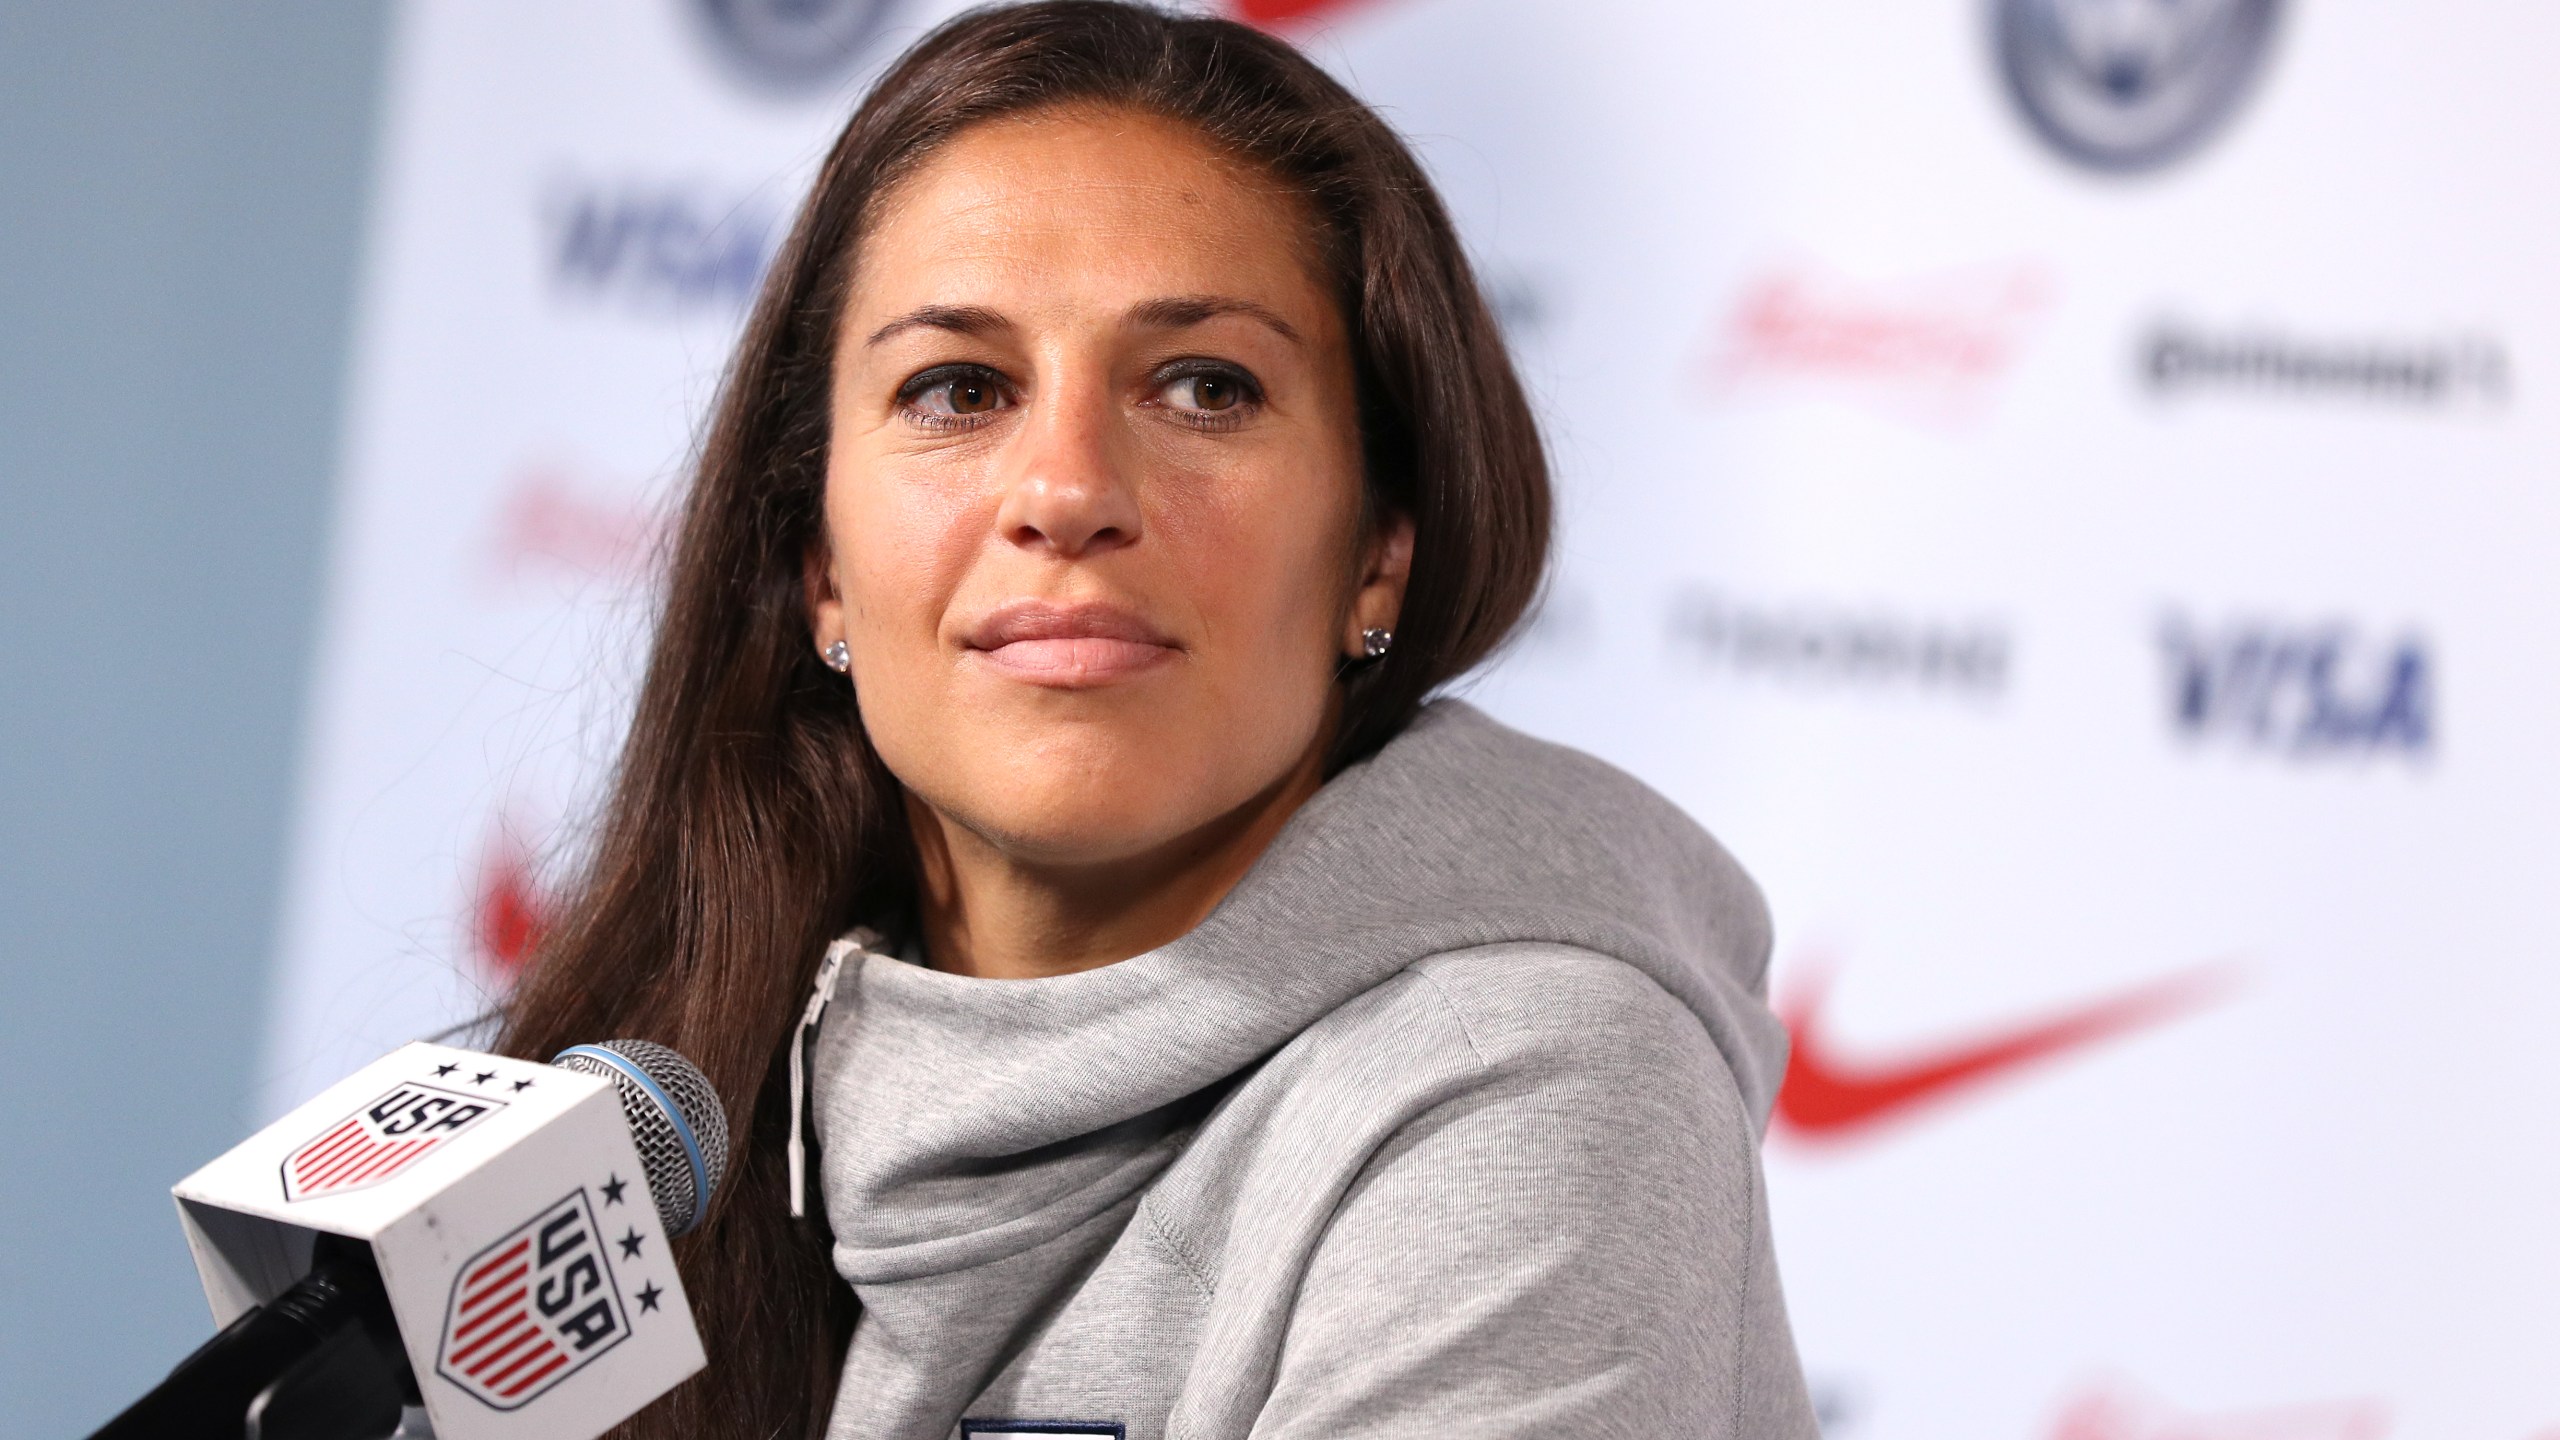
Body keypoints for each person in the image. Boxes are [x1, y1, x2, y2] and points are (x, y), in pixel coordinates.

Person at [498, 3, 1818, 1436]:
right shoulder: (667, 1093)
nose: (1065, 491)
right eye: (959, 388)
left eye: (1204, 388)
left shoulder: (1544, 1086)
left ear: (1377, 547)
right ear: (819, 565)